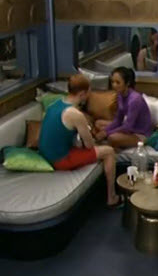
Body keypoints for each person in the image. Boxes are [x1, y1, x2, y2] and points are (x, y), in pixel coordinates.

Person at [38, 74, 121, 207]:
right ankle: (112, 197)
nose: (90, 95)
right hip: (60, 160)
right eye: (89, 92)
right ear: (82, 94)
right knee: (109, 151)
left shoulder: (55, 104)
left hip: (46, 153)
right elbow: (89, 145)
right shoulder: (75, 114)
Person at [94, 67, 153, 150]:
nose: (114, 85)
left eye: (118, 82)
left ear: (127, 83)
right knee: (98, 123)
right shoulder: (120, 95)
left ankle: (111, 146)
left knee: (112, 137)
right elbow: (118, 120)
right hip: (128, 128)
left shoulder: (135, 99)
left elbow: (128, 127)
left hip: (139, 134)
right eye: (112, 82)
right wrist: (105, 131)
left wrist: (106, 133)